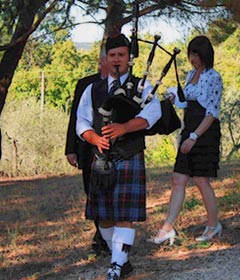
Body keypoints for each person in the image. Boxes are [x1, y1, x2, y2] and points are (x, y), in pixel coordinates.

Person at [76, 33, 162, 280]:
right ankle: (122, 260)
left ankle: (115, 265)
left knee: (124, 215)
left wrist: (124, 128)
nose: (116, 60)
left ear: (129, 58)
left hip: (129, 153)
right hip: (101, 157)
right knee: (103, 216)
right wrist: (93, 138)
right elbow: (81, 121)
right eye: (112, 55)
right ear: (106, 58)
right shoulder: (93, 89)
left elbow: (151, 115)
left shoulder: (142, 86)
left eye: (121, 55)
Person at [147, 36, 223, 245]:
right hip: (188, 127)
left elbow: (211, 112)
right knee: (178, 178)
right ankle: (167, 228)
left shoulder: (213, 77)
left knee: (201, 180)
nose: (193, 58)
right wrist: (173, 98)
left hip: (204, 132)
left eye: (196, 54)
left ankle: (213, 225)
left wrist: (194, 136)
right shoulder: (190, 74)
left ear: (205, 54)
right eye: (191, 54)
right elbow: (187, 101)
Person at [65, 49, 110, 255]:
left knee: (109, 193)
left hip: (112, 150)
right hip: (86, 149)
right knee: (91, 193)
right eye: (108, 58)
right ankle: (100, 234)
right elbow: (76, 118)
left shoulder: (124, 85)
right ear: (102, 61)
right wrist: (70, 148)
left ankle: (105, 239)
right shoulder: (86, 84)